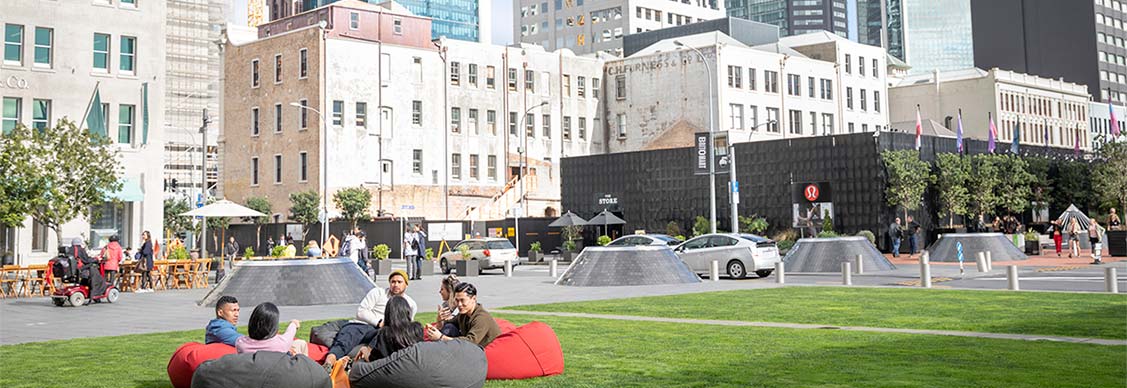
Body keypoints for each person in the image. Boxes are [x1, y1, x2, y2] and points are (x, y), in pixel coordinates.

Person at [322, 270, 417, 368]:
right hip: (364, 325)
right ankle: (329, 362)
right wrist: (379, 322)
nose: (395, 284)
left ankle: (364, 360)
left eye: (399, 282)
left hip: (384, 331)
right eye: (393, 282)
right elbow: (361, 312)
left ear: (406, 284)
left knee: (384, 334)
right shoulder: (378, 293)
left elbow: (407, 325)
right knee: (348, 335)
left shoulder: (410, 304)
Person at [425, 282, 501, 348]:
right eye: (457, 300)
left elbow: (471, 342)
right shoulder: (464, 314)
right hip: (473, 349)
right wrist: (439, 320)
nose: (459, 304)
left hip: (486, 353)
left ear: (473, 299)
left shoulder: (481, 318)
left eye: (462, 300)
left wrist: (441, 337)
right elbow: (448, 323)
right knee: (449, 327)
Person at [352, 296, 423, 362]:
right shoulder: (417, 328)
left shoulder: (385, 332)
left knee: (359, 366)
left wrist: (364, 350)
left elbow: (374, 360)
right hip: (415, 366)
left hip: (393, 371)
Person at [236, 302, 308, 356]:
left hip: (254, 370)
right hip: (278, 370)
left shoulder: (241, 343)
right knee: (301, 344)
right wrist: (294, 323)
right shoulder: (282, 343)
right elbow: (290, 332)